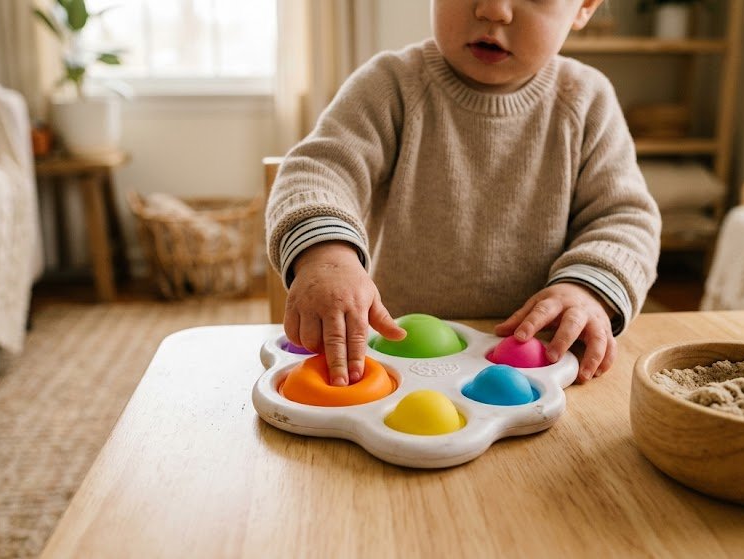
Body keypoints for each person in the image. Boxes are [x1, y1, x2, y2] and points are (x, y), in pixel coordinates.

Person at [265, 0, 661, 388]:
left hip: (539, 360)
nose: (493, 10)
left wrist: (588, 290)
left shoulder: (588, 100)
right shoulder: (390, 84)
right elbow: (318, 172)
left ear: (584, 7)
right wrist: (328, 257)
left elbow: (625, 219)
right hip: (398, 356)